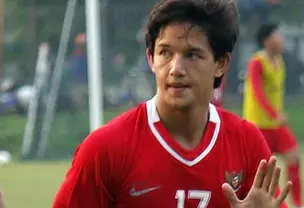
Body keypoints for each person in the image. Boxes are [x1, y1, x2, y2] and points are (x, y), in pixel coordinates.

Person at [52, 1, 291, 208]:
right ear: (151, 59)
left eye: (192, 55)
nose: (176, 69)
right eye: (165, 53)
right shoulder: (106, 148)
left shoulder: (246, 143)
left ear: (220, 64)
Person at [243, 23, 304, 208]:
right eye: (278, 35)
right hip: (259, 126)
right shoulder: (257, 62)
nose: (282, 39)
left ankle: (299, 203)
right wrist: (274, 113)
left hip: (276, 126)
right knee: (265, 172)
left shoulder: (280, 62)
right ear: (267, 40)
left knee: (294, 155)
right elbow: (257, 91)